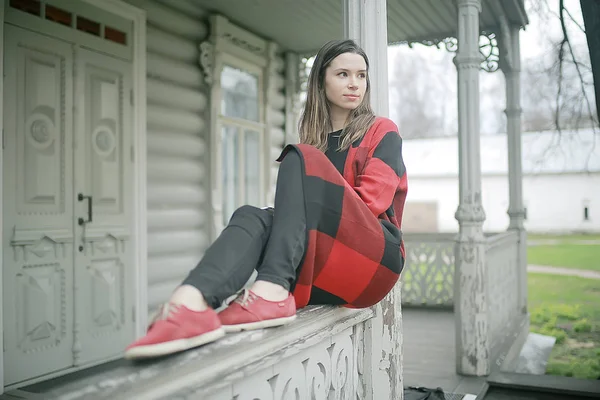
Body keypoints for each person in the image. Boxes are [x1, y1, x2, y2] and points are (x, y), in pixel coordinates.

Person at [124, 39, 408, 360]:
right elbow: (302, 220)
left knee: (297, 157)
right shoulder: (314, 143)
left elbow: (370, 205)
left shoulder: (381, 131)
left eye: (361, 75)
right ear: (321, 81)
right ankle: (191, 303)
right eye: (343, 74)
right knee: (253, 216)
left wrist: (307, 192)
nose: (355, 84)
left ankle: (272, 287)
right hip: (323, 268)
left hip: (373, 260)